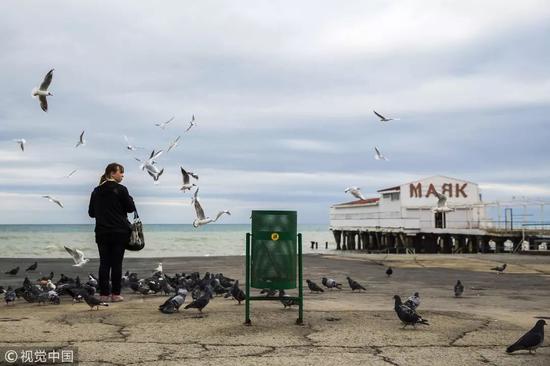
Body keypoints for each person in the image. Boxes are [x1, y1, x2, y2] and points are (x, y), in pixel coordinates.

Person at [88, 163, 136, 302]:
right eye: (121, 172)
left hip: (102, 232)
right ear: (112, 173)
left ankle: (103, 294)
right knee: (116, 263)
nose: (122, 175)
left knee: (104, 263)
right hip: (119, 232)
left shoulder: (96, 191)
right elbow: (130, 208)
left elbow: (91, 213)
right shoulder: (121, 189)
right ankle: (115, 294)